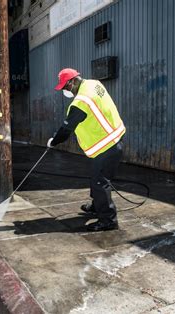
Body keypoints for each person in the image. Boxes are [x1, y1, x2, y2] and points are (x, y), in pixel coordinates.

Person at [48, 68, 126, 231]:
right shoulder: (93, 84)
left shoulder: (81, 102)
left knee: (99, 182)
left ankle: (108, 220)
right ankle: (97, 206)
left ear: (72, 82)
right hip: (114, 137)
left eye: (65, 87)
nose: (65, 91)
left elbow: (66, 130)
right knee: (96, 177)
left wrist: (53, 142)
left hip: (106, 144)